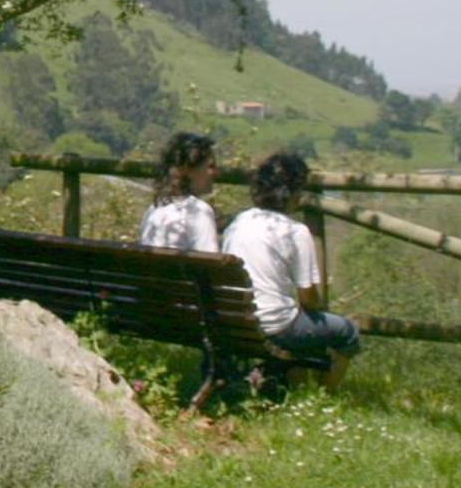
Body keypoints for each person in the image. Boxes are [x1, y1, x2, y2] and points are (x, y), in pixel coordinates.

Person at [220, 150, 360, 388]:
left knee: (302, 321)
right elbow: (308, 299)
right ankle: (325, 397)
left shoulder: (240, 221)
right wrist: (315, 307)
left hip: (231, 319)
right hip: (275, 326)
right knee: (347, 331)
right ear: (294, 193)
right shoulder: (295, 231)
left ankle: (288, 384)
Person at [137, 132, 220, 253]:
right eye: (210, 166)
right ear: (188, 170)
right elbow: (212, 263)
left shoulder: (153, 210)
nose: (216, 173)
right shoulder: (197, 211)